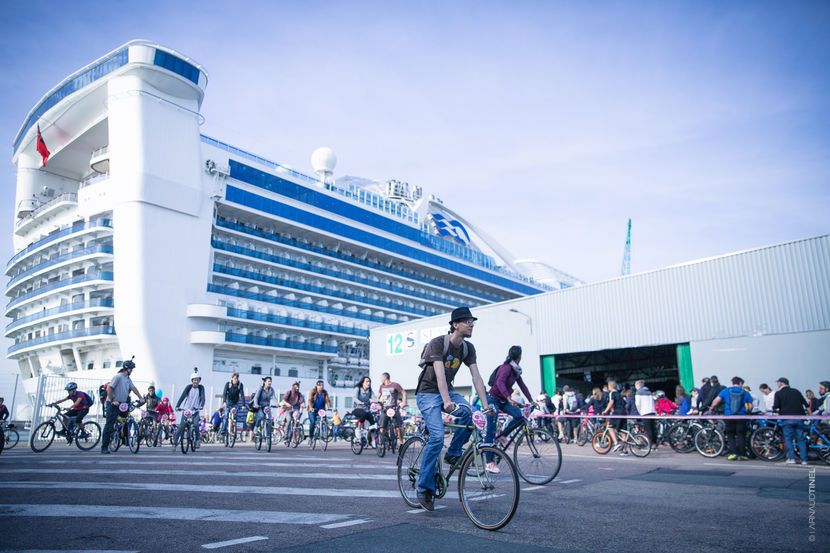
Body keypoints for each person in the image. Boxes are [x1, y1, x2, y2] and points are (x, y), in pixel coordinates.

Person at [414, 306, 490, 511]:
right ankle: (424, 488)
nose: (471, 324)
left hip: (447, 391)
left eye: (472, 321)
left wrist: (485, 405)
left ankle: (454, 452)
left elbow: (476, 377)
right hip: (427, 394)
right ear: (455, 325)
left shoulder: (468, 348)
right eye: (467, 321)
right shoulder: (438, 343)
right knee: (437, 438)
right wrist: (447, 401)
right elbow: (439, 375)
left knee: (471, 413)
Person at [484, 345, 534, 472]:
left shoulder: (515, 370)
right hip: (493, 399)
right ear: (519, 357)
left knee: (519, 416)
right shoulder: (506, 368)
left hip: (503, 400)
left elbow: (522, 385)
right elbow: (499, 383)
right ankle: (489, 462)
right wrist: (508, 397)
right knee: (491, 429)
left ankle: (502, 435)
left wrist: (531, 400)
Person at [101, 358, 143, 454]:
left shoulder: (128, 379)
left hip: (122, 404)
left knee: (126, 419)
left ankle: (123, 438)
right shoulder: (118, 377)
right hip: (113, 403)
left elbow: (133, 388)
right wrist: (112, 400)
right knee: (109, 424)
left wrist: (141, 397)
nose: (132, 371)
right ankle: (104, 447)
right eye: (131, 369)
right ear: (127, 369)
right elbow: (109, 388)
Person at [709, 376, 753, 461]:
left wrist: (712, 408)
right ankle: (742, 454)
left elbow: (716, 401)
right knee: (741, 435)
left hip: (729, 416)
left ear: (732, 383)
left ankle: (733, 454)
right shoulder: (744, 392)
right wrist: (748, 412)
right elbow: (750, 406)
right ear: (740, 383)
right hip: (741, 416)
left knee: (730, 435)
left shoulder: (726, 391)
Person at [772, 377, 809, 465]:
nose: (777, 385)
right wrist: (810, 416)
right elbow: (806, 404)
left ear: (781, 384)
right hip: (799, 418)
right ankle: (804, 460)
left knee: (788, 439)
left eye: (777, 383)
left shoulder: (778, 393)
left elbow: (776, 407)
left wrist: (774, 412)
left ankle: (791, 458)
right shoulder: (796, 391)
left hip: (787, 419)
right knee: (801, 439)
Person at [174, 368, 206, 446]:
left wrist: (201, 406)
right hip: (187, 410)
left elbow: (203, 398)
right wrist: (177, 406)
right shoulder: (188, 387)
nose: (196, 381)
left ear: (199, 380)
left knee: (195, 425)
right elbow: (182, 397)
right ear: (192, 381)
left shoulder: (201, 388)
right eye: (194, 380)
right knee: (181, 426)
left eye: (197, 380)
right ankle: (175, 443)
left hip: (195, 410)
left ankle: (197, 440)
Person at [377, 372, 407, 445]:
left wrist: (404, 402)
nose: (380, 379)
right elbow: (378, 396)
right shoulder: (381, 386)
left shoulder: (395, 385)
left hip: (394, 409)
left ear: (385, 378)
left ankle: (401, 443)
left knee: (398, 427)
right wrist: (377, 402)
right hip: (385, 409)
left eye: (381, 378)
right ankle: (380, 444)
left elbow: (404, 393)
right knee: (382, 426)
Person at [602, 379, 627, 455]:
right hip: (624, 413)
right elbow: (624, 403)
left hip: (617, 413)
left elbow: (611, 402)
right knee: (623, 431)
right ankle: (625, 450)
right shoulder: (619, 394)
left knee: (610, 427)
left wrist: (605, 411)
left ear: (609, 386)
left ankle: (616, 443)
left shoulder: (611, 393)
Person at [352, 376, 377, 447]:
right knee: (364, 414)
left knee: (372, 423)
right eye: (367, 381)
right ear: (362, 383)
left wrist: (379, 401)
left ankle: (373, 441)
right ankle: (358, 429)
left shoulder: (370, 390)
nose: (368, 383)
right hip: (357, 409)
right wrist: (360, 402)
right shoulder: (358, 389)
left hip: (366, 409)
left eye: (369, 382)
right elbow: (354, 398)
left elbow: (374, 398)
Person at [634, 380, 657, 448]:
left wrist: (640, 412)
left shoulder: (638, 392)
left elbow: (637, 404)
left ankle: (650, 444)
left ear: (638, 385)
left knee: (648, 429)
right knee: (653, 428)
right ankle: (655, 443)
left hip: (645, 412)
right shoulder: (649, 392)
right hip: (652, 412)